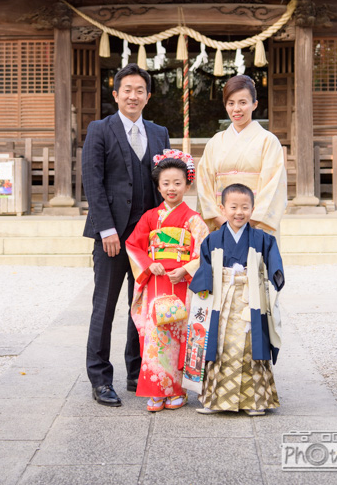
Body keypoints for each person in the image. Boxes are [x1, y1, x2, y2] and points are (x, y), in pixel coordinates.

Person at [82, 63, 170, 407]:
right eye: (127, 90)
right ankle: (100, 378)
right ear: (116, 94)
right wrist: (107, 228)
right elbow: (93, 181)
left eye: (140, 91)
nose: (133, 96)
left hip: (148, 239)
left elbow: (166, 182)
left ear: (148, 97)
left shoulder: (159, 132)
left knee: (142, 307)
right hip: (111, 237)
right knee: (103, 306)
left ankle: (137, 371)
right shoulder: (99, 129)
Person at [190, 183, 284, 415]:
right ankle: (214, 399)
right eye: (233, 207)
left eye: (245, 207)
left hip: (250, 298)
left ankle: (254, 402)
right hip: (221, 299)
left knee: (252, 345)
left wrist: (275, 277)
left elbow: (274, 264)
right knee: (220, 344)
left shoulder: (263, 238)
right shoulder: (213, 239)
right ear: (223, 208)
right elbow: (204, 266)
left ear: (253, 209)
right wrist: (203, 288)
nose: (239, 212)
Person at [126, 151, 209, 412]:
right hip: (157, 283)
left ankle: (177, 390)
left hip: (182, 283)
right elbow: (133, 245)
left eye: (177, 183)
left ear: (187, 184)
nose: (171, 188)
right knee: (156, 336)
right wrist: (150, 263)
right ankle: (156, 390)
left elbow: (203, 251)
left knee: (180, 335)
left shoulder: (194, 220)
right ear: (158, 186)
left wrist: (185, 269)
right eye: (166, 183)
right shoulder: (151, 217)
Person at [197, 74, 287, 237]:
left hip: (255, 226)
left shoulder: (268, 141)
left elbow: (273, 187)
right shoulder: (215, 142)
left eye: (243, 102)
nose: (236, 109)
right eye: (231, 103)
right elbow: (204, 186)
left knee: (255, 261)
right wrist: (221, 220)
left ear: (254, 104)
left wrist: (248, 221)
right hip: (221, 224)